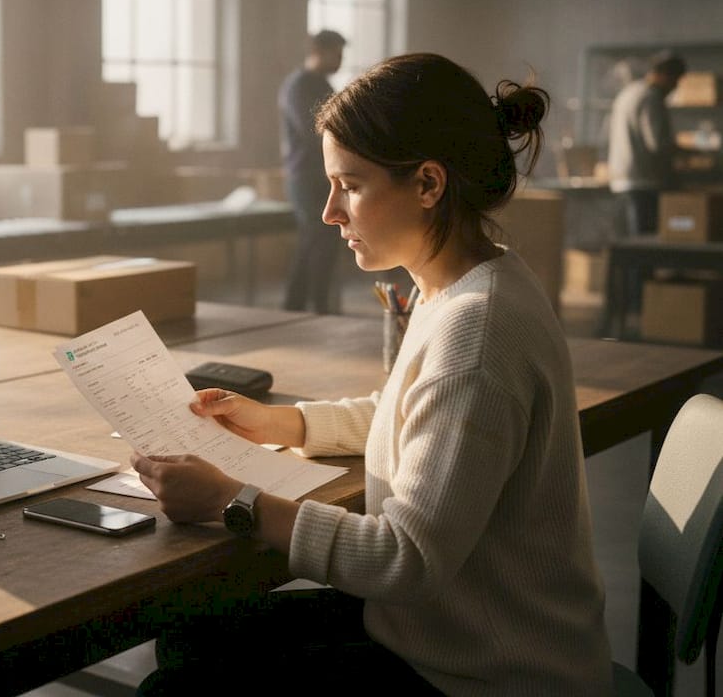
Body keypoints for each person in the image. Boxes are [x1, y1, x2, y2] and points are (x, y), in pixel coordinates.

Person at [132, 53, 613, 695]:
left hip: (486, 674)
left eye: (350, 186)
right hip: (444, 633)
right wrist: (282, 423)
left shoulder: (477, 330)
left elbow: (404, 559)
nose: (330, 211)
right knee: (190, 636)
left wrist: (232, 502)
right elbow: (418, 412)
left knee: (178, 685)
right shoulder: (472, 281)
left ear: (428, 184)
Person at [280, 29, 346, 313]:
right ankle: (306, 307)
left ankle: (309, 306)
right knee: (316, 240)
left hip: (323, 176)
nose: (341, 60)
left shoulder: (324, 85)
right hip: (305, 178)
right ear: (319, 51)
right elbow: (315, 133)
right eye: (337, 54)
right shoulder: (298, 85)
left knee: (321, 241)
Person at [608, 50, 687, 236]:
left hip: (623, 179)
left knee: (633, 242)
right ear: (663, 75)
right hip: (645, 182)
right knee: (647, 241)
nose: (675, 87)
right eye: (675, 80)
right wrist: (687, 155)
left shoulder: (629, 92)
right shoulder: (651, 97)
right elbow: (658, 144)